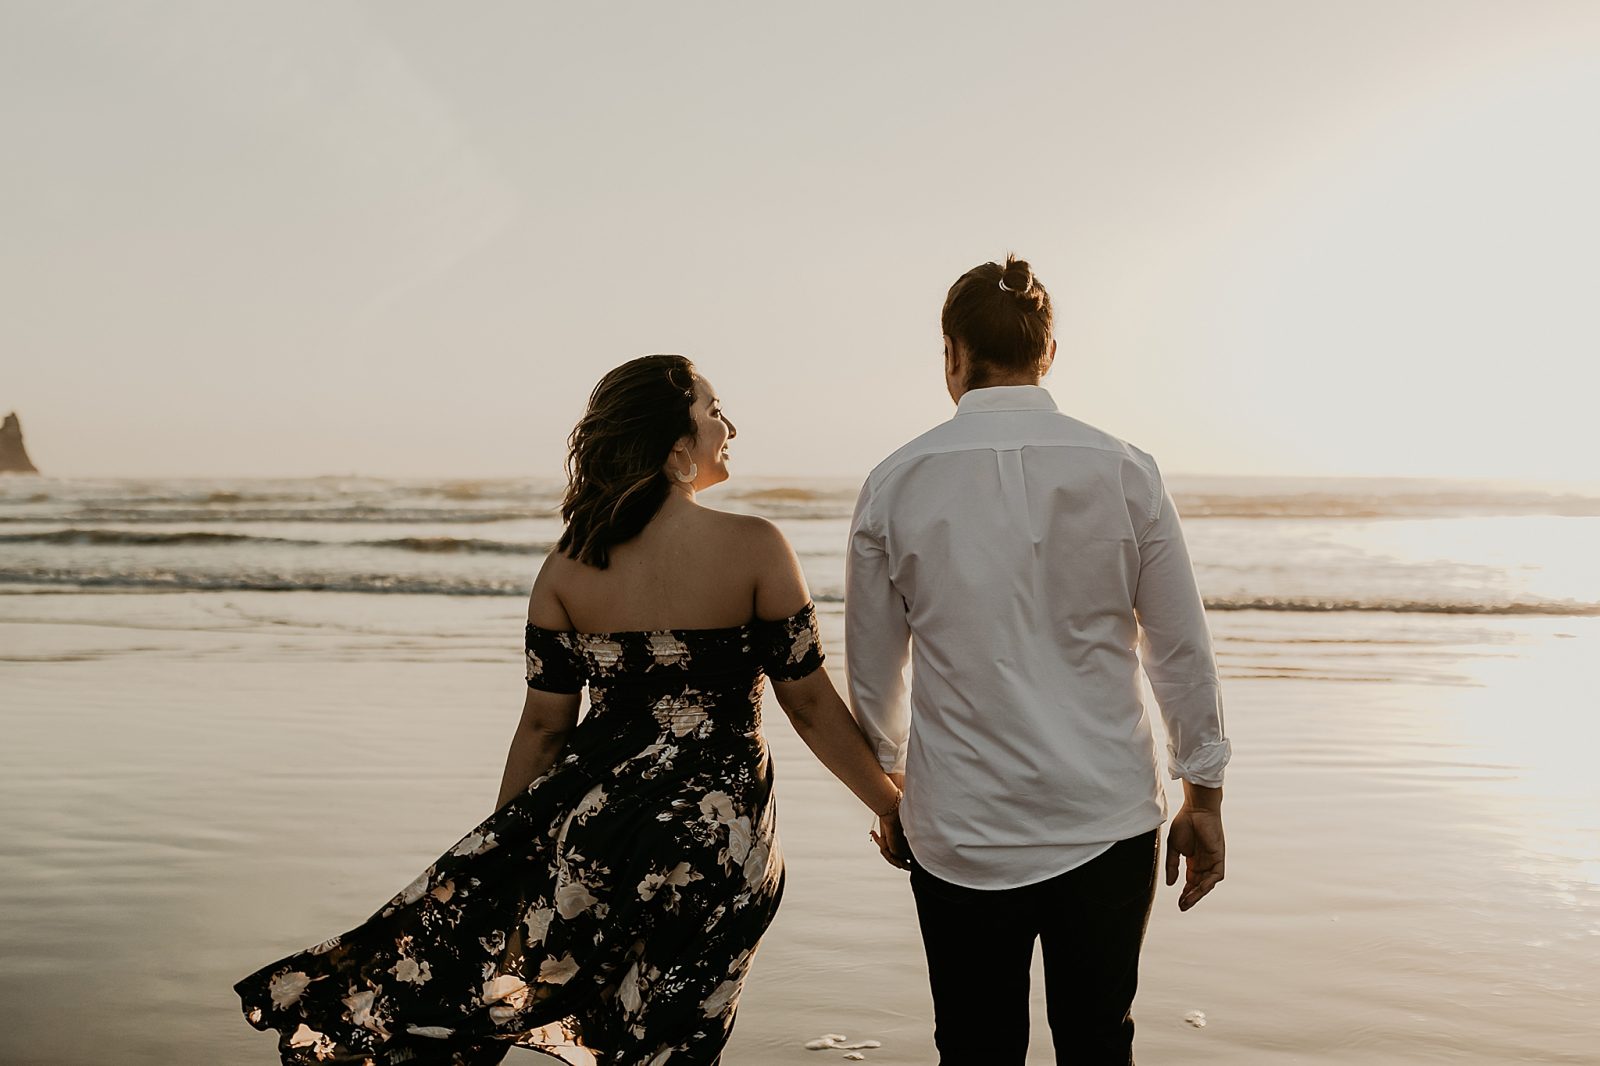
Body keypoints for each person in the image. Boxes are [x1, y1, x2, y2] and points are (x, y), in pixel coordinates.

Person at [237, 354, 902, 1065]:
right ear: (677, 447)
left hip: (598, 838)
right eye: (713, 411)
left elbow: (544, 727)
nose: (729, 425)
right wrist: (892, 807)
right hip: (718, 841)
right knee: (679, 1042)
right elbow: (805, 704)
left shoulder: (565, 568)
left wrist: (504, 855)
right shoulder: (756, 546)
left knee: (615, 1038)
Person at [848, 256, 1231, 1065]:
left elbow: (875, 671)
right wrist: (1205, 793)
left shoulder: (894, 483)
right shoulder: (1125, 469)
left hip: (960, 823)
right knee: (1098, 1043)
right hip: (1106, 814)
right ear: (1047, 353)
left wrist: (887, 790)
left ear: (952, 352)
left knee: (976, 1050)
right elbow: (1179, 649)